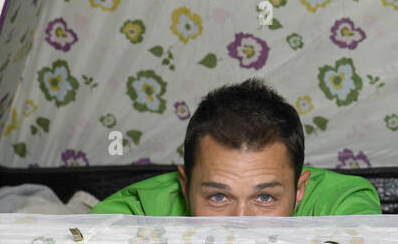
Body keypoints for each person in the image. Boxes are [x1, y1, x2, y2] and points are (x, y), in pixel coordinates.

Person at [91, 77, 382, 217]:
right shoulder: (136, 210)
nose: (240, 223)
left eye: (265, 198)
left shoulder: (345, 205)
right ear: (184, 184)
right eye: (218, 197)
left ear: (299, 190)